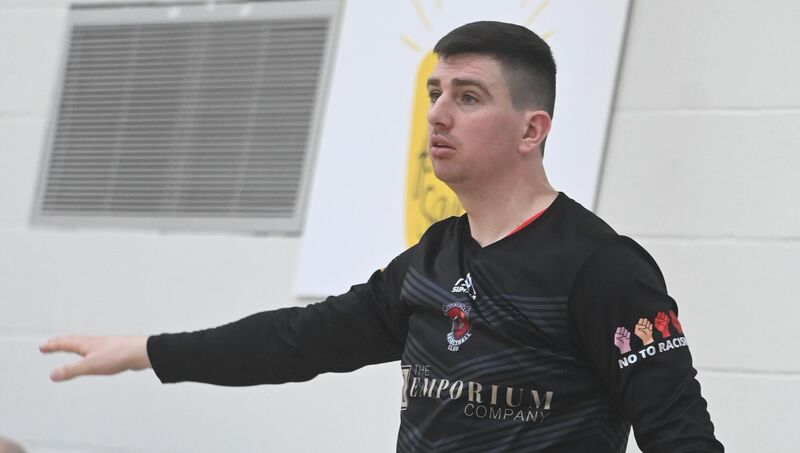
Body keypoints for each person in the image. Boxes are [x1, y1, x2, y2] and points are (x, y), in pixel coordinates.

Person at [41, 21, 723, 452]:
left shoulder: (602, 269)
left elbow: (681, 436)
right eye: (435, 93)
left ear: (531, 129)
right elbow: (298, 340)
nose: (438, 115)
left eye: (468, 96)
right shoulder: (427, 263)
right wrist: (146, 351)